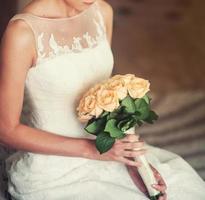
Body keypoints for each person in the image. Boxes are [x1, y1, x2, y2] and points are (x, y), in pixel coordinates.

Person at [0, 0, 204, 200]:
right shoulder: (22, 33)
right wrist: (94, 151)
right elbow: (6, 129)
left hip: (109, 149)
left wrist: (134, 163)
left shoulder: (102, 11)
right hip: (54, 168)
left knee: (182, 189)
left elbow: (106, 99)